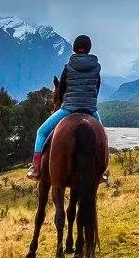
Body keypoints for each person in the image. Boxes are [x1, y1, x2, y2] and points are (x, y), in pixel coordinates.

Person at [27, 35, 103, 181]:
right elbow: (96, 88)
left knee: (41, 132)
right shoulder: (96, 67)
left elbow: (61, 89)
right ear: (89, 48)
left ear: (74, 48)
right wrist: (89, 102)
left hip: (69, 108)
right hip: (90, 109)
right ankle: (102, 171)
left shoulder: (68, 67)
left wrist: (66, 101)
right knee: (103, 136)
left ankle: (36, 169)